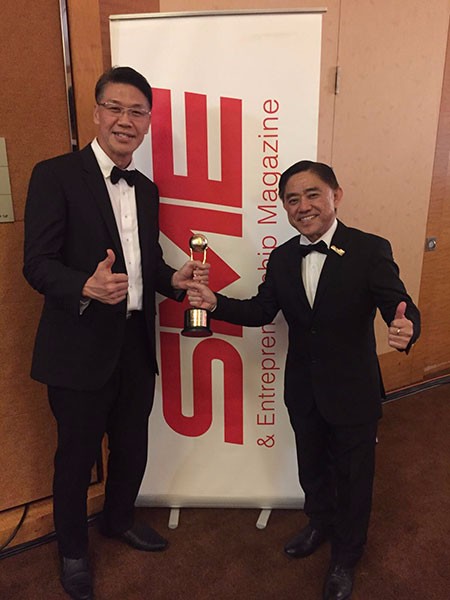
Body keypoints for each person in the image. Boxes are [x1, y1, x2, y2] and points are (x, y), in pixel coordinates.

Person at [186, 160, 420, 600]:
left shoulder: (370, 249)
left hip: (353, 389)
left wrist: (407, 328)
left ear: (336, 195)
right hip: (303, 388)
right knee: (311, 466)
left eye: (313, 194)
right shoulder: (282, 257)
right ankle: (319, 524)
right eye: (292, 199)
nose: (303, 206)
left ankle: (346, 556)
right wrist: (215, 303)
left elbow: (399, 305)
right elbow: (261, 310)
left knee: (354, 477)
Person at [23, 66, 209, 600]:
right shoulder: (54, 175)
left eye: (137, 112)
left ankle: (118, 519)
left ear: (148, 123)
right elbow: (36, 264)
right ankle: (73, 551)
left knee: (132, 443)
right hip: (78, 345)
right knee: (76, 455)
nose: (125, 120)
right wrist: (84, 284)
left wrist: (173, 280)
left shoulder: (146, 189)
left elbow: (144, 261)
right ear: (96, 113)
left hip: (134, 342)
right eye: (116, 108)